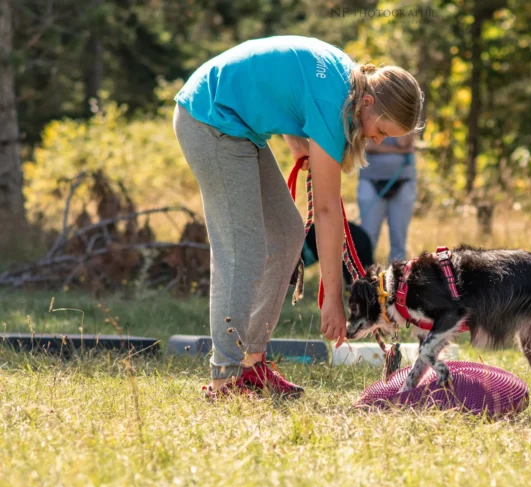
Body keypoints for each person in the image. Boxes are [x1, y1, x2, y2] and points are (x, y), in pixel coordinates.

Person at [172, 35, 423, 397]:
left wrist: (296, 142)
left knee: (287, 232)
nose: (378, 141)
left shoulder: (346, 81)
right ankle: (224, 378)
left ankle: (251, 363)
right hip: (209, 121)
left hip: (238, 127)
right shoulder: (335, 103)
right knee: (243, 250)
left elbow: (287, 83)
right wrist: (333, 299)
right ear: (367, 103)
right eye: (381, 131)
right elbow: (325, 210)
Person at [357, 134, 417, 262]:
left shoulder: (407, 114)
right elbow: (368, 145)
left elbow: (404, 143)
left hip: (403, 181)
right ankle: (363, 277)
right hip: (371, 180)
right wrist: (399, 151)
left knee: (398, 238)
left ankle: (398, 280)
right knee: (368, 236)